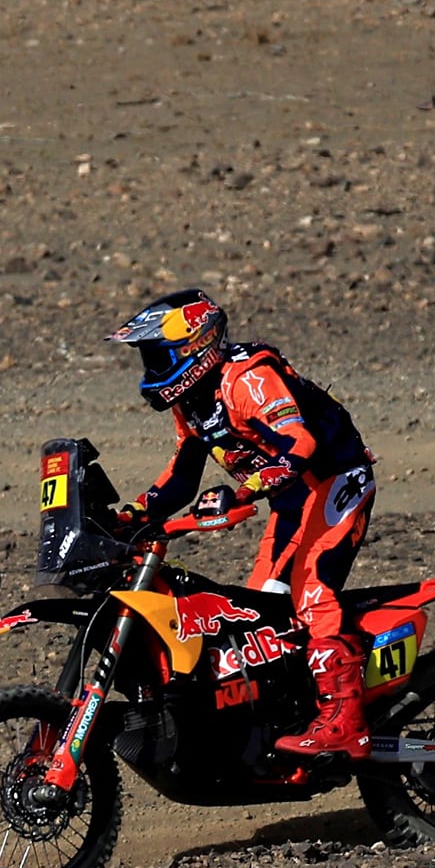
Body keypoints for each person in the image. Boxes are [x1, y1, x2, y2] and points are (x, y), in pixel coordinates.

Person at [106, 291, 378, 758]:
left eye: (158, 354)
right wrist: (132, 515)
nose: (151, 367)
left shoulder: (247, 377)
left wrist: (244, 489)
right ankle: (289, 715)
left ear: (197, 345)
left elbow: (301, 443)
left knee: (312, 591)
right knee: (262, 616)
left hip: (335, 481)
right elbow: (181, 476)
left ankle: (345, 720)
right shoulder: (191, 400)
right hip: (293, 499)